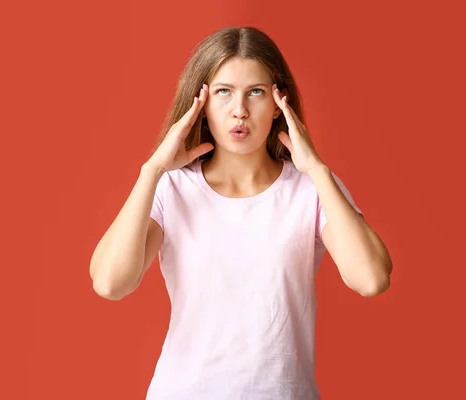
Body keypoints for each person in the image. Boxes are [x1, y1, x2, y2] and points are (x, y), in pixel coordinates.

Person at [89, 26, 393, 400]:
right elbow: (110, 283)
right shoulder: (171, 189)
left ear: (279, 103)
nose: (240, 111)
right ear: (199, 105)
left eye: (256, 92)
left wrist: (316, 168)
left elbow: (371, 279)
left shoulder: (311, 188)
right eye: (223, 92)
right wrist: (151, 171)